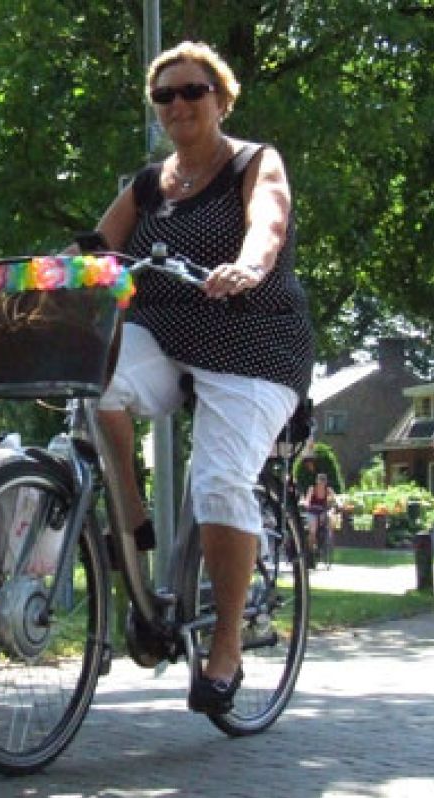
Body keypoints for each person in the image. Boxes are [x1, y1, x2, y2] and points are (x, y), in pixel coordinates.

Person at [85, 41, 314, 714]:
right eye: (165, 95)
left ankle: (225, 645)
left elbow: (266, 220)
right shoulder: (146, 184)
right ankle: (130, 519)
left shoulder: (253, 161)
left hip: (252, 338)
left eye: (192, 91)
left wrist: (248, 263)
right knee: (88, 381)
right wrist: (33, 278)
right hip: (168, 333)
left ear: (220, 97)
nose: (178, 104)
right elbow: (96, 252)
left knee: (216, 481)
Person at [302, 472, 337, 559]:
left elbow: (334, 499)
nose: (322, 483)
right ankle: (311, 550)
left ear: (326, 482)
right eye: (320, 481)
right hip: (312, 512)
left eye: (323, 481)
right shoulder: (312, 489)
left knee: (330, 518)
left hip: (322, 512)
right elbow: (307, 500)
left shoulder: (328, 490)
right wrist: (306, 503)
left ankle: (327, 538)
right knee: (313, 531)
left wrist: (333, 502)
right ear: (317, 481)